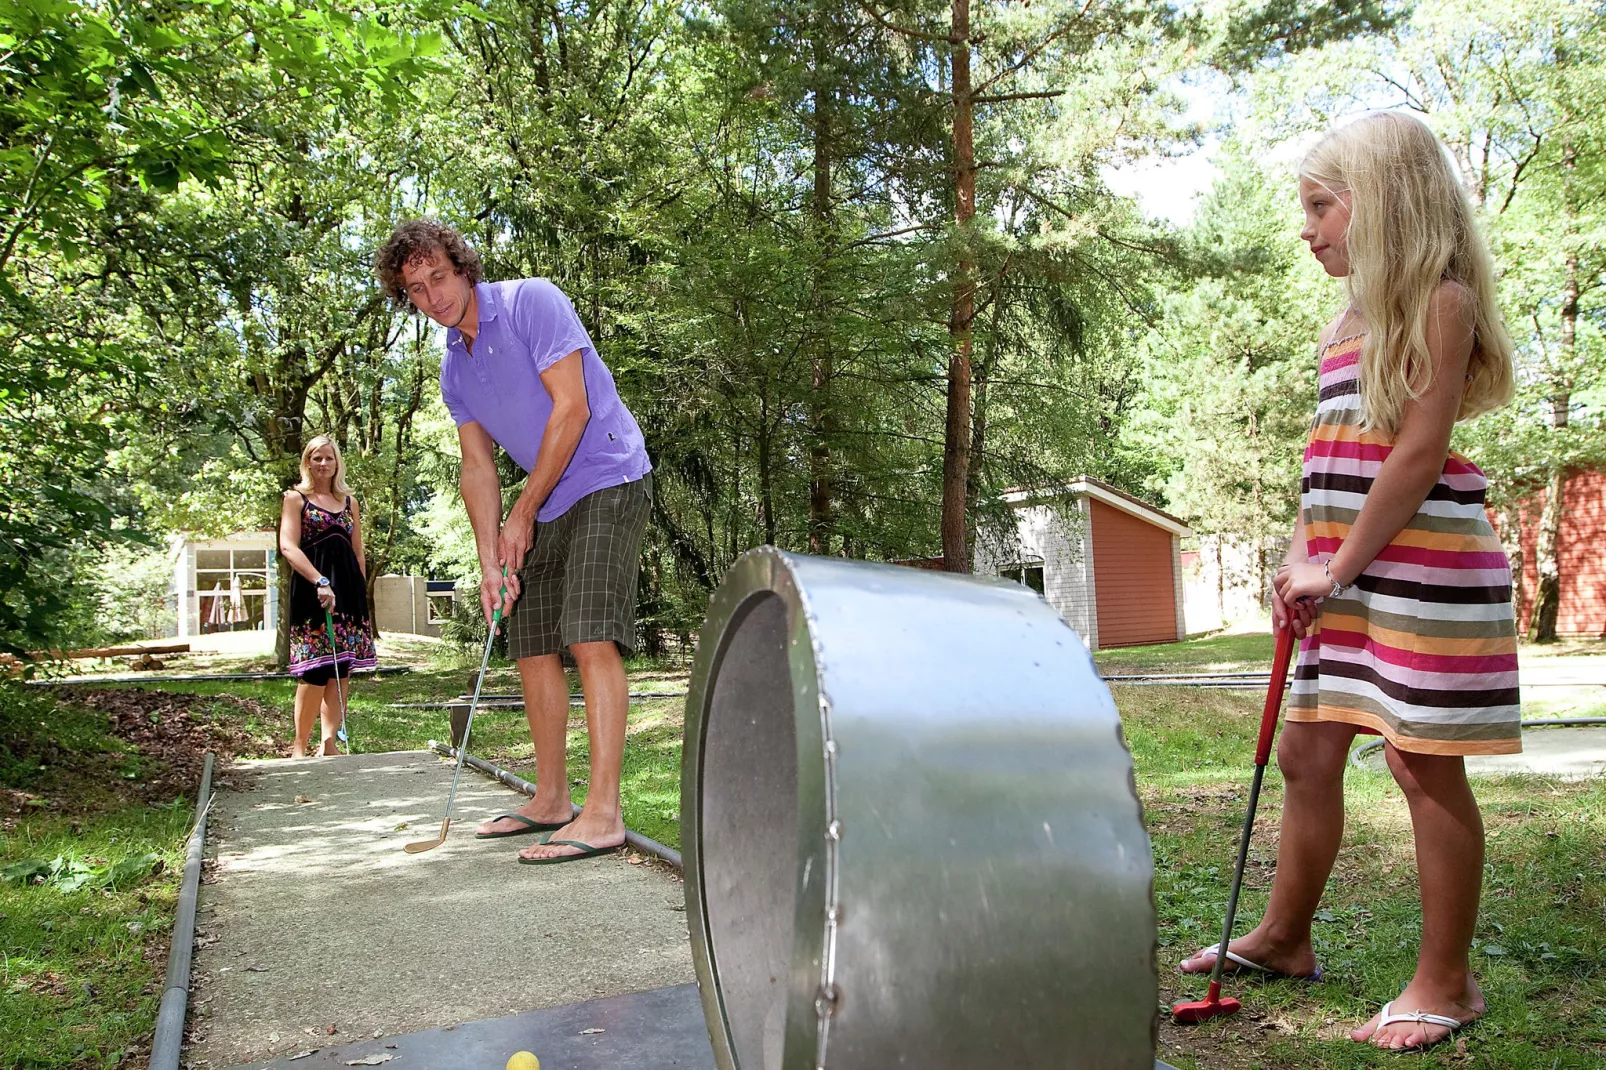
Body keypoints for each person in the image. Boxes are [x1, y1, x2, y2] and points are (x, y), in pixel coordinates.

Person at [1178, 112, 1520, 1052]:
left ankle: (1448, 982)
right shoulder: (1344, 321)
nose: (1307, 228)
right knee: (1306, 754)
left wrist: (1336, 564)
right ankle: (1286, 937)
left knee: (1420, 762)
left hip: (1423, 572)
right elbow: (1330, 460)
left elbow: (1413, 459)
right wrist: (1301, 556)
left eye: (1322, 206)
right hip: (1347, 573)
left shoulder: (1438, 302)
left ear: (1385, 203)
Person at [374, 220, 652, 865]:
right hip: (546, 494)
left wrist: (521, 512)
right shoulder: (454, 369)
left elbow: (572, 409)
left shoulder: (532, 301)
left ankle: (603, 812)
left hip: (608, 473)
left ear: (462, 267)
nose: (433, 296)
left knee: (587, 633)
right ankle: (551, 798)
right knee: (528, 642)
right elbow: (476, 466)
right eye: (415, 289)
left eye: (438, 276)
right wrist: (488, 559)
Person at [278, 435, 377, 757]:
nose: (323, 464)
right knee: (314, 671)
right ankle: (299, 745)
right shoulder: (296, 498)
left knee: (341, 669)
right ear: (307, 462)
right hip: (313, 591)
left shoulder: (350, 502)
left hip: (347, 592)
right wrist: (319, 580)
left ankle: (329, 742)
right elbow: (288, 546)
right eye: (317, 458)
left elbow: (357, 552)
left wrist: (359, 593)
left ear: (337, 463)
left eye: (329, 458)